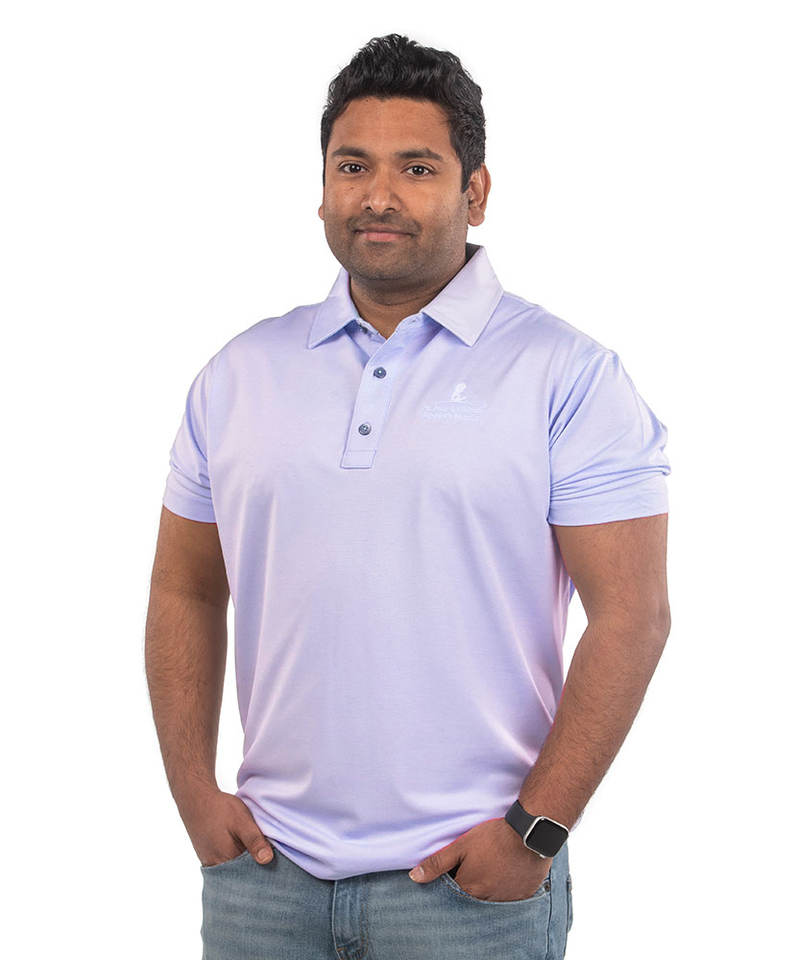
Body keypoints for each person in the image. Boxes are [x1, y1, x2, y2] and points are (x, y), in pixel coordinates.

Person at [145, 32, 671, 960]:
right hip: (265, 880)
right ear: (322, 187)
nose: (377, 196)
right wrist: (193, 793)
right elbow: (184, 588)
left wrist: (533, 834)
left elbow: (632, 616)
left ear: (475, 191)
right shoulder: (239, 374)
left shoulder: (567, 375)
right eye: (352, 166)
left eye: (416, 168)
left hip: (468, 889)